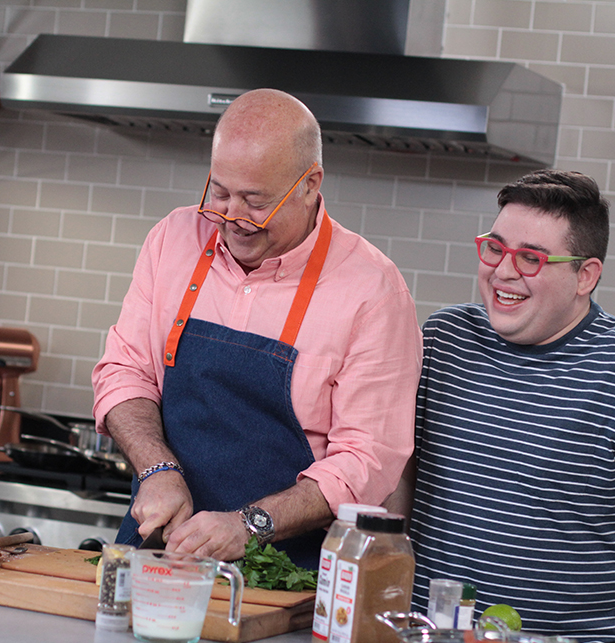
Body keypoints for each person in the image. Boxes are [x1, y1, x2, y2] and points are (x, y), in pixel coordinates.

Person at [91, 89, 422, 569]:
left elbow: (367, 459)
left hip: (287, 573)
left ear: (310, 184)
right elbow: (124, 371)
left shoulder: (374, 291)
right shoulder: (171, 239)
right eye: (220, 192)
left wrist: (249, 525)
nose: (231, 217)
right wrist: (156, 469)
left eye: (255, 200)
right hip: (159, 551)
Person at [401, 169, 615, 643]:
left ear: (585, 276)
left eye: (530, 258)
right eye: (495, 248)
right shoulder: (445, 339)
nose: (503, 272)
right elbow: (400, 474)